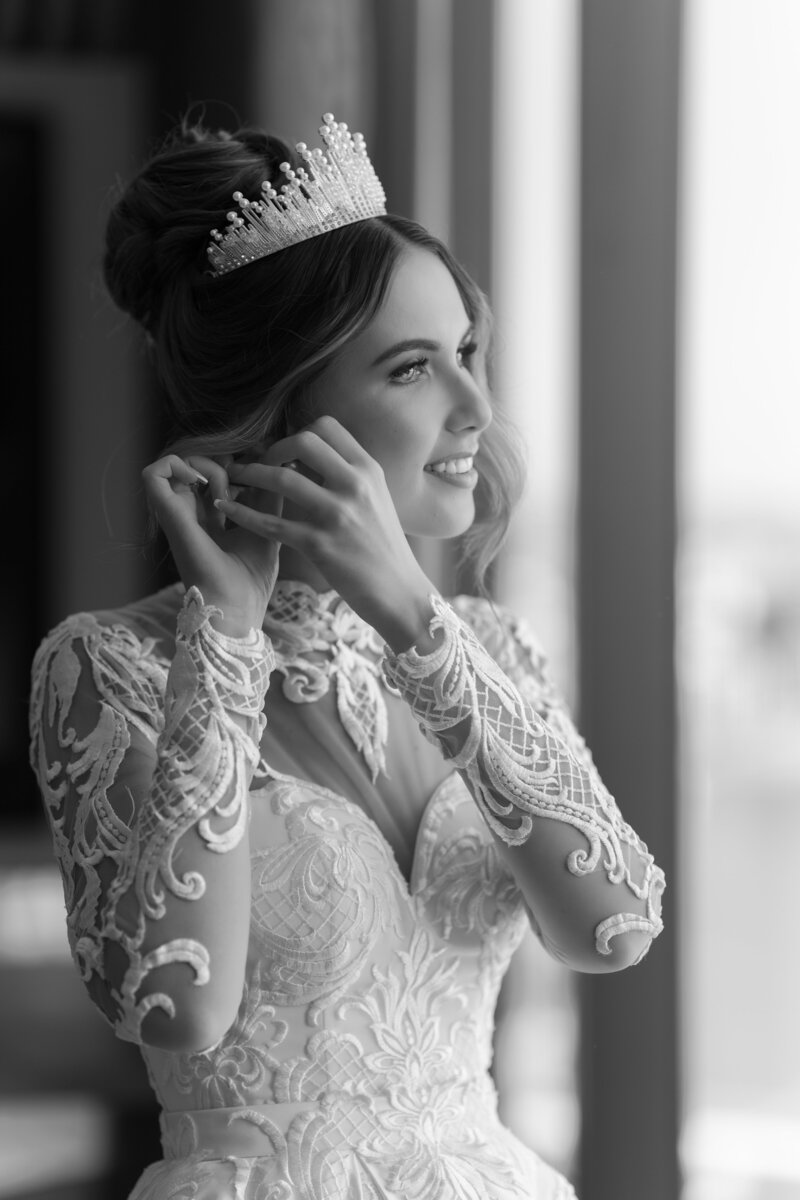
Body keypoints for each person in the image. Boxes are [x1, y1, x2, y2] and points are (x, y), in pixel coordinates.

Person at [29, 112, 665, 1200]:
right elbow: (177, 1002)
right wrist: (223, 642)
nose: (475, 408)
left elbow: (615, 924)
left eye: (467, 353)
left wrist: (418, 619)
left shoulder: (490, 647)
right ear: (283, 413)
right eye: (413, 369)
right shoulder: (111, 668)